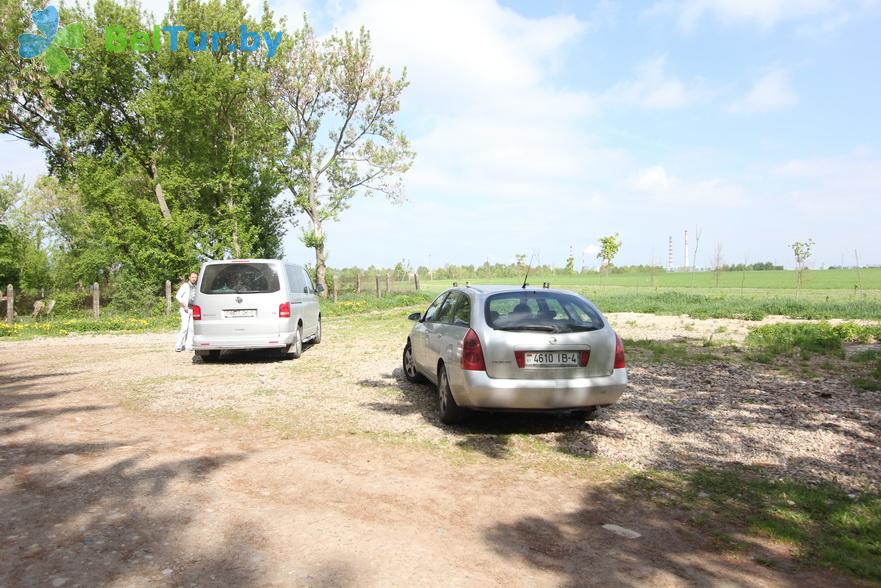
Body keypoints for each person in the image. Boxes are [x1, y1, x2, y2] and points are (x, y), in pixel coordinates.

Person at [175, 271, 198, 352]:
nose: (194, 279)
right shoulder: (185, 286)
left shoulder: (196, 286)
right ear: (189, 277)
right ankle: (178, 345)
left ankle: (188, 345)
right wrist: (184, 304)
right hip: (185, 309)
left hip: (193, 309)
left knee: (191, 328)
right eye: (193, 277)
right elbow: (177, 296)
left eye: (195, 277)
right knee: (184, 327)